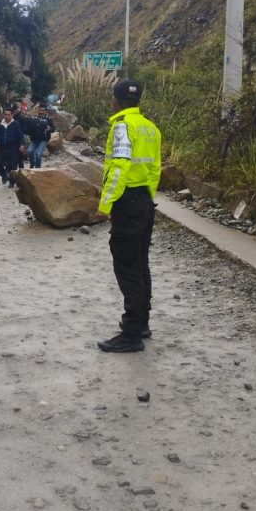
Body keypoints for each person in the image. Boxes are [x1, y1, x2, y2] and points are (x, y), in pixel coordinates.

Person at [94, 79, 162, 353]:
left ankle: (131, 334)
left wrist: (106, 204)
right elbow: (156, 169)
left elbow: (120, 166)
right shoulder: (150, 127)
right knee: (141, 264)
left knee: (127, 268)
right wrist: (147, 197)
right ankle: (142, 324)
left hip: (127, 202)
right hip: (145, 201)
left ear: (115, 99)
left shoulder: (122, 126)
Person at [0, 107, 24, 188]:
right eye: (5, 114)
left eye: (8, 115)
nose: (6, 116)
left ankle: (12, 182)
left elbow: (20, 136)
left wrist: (21, 145)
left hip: (13, 148)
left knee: (13, 166)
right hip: (1, 147)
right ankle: (4, 175)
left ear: (12, 115)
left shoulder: (16, 124)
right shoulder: (0, 123)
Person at [24, 104, 56, 168]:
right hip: (34, 139)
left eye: (43, 110)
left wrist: (49, 129)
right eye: (40, 110)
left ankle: (38, 169)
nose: (41, 112)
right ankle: (32, 164)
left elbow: (53, 129)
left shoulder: (48, 119)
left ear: (45, 111)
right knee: (30, 151)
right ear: (38, 110)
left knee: (38, 154)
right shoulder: (33, 118)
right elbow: (28, 128)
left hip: (44, 139)